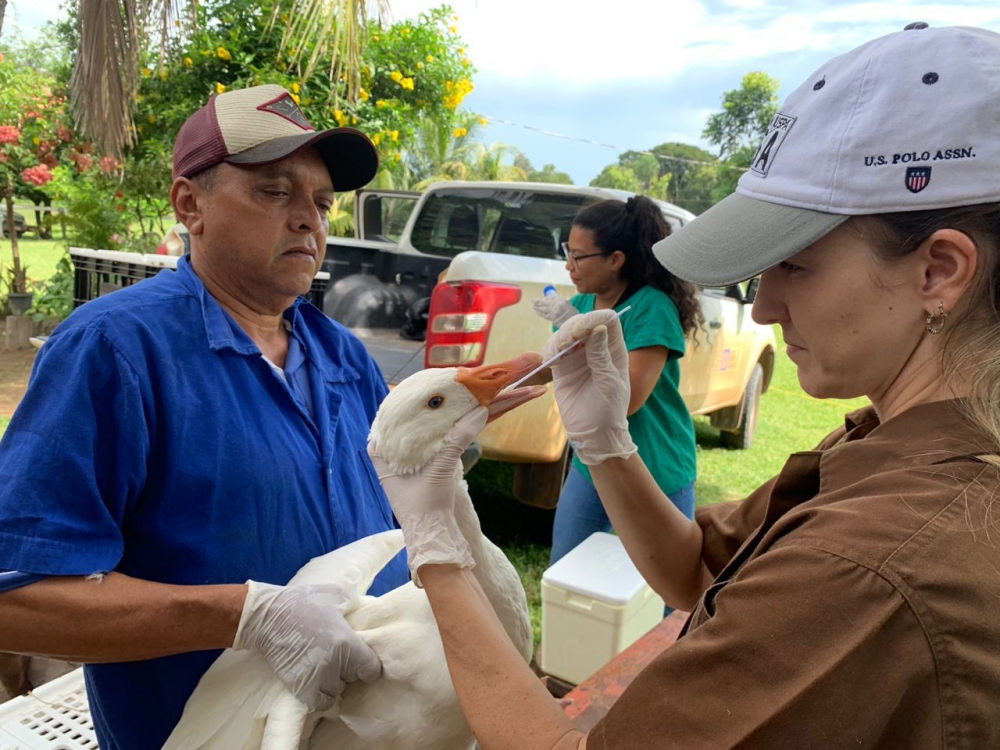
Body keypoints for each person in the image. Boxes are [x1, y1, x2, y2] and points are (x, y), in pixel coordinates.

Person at [369, 24, 1000, 748]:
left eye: (795, 264)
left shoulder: (874, 558)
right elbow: (699, 570)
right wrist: (605, 444)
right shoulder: (887, 444)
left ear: (940, 271)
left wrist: (438, 559)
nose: (762, 308)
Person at [0, 84, 409, 749]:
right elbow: (15, 599)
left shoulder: (344, 358)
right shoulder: (116, 351)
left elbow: (399, 523)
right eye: (274, 193)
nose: (309, 219)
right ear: (190, 204)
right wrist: (246, 615)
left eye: (322, 202)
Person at [534, 196, 702, 566]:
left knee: (665, 590)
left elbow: (625, 401)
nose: (569, 266)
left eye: (579, 256)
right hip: (594, 463)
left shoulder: (650, 308)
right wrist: (491, 382)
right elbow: (550, 365)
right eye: (568, 252)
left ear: (615, 260)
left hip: (655, 467)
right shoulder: (580, 307)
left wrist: (578, 337)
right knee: (566, 569)